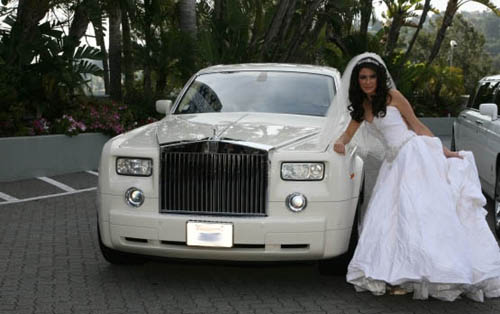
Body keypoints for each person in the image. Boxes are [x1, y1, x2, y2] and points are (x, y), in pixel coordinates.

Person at [331, 52, 500, 302]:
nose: (367, 81)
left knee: (421, 213)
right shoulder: (362, 107)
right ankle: (401, 273)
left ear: (379, 79)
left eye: (371, 77)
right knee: (393, 217)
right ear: (358, 81)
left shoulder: (393, 97)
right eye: (363, 77)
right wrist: (339, 142)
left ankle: (432, 269)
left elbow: (416, 125)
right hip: (393, 163)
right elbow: (347, 134)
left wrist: (444, 152)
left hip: (414, 154)